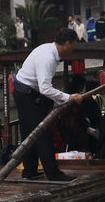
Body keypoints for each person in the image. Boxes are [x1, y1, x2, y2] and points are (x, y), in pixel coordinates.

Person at [12, 28, 84, 181]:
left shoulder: (49, 50)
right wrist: (69, 97)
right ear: (67, 43)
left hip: (27, 92)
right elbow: (45, 88)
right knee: (42, 132)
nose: (73, 49)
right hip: (27, 94)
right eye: (73, 45)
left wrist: (60, 100)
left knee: (29, 133)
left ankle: (29, 171)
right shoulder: (48, 57)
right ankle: (53, 174)